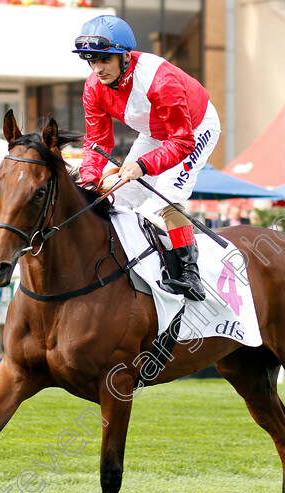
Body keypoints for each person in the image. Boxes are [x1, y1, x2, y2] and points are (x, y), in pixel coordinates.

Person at [75, 14, 220, 301]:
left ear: (125, 56)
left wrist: (142, 166)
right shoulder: (93, 87)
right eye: (91, 60)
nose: (97, 69)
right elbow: (96, 142)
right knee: (116, 194)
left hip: (194, 127)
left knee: (166, 195)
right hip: (154, 132)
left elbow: (181, 140)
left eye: (104, 60)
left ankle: (191, 275)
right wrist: (90, 181)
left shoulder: (159, 80)